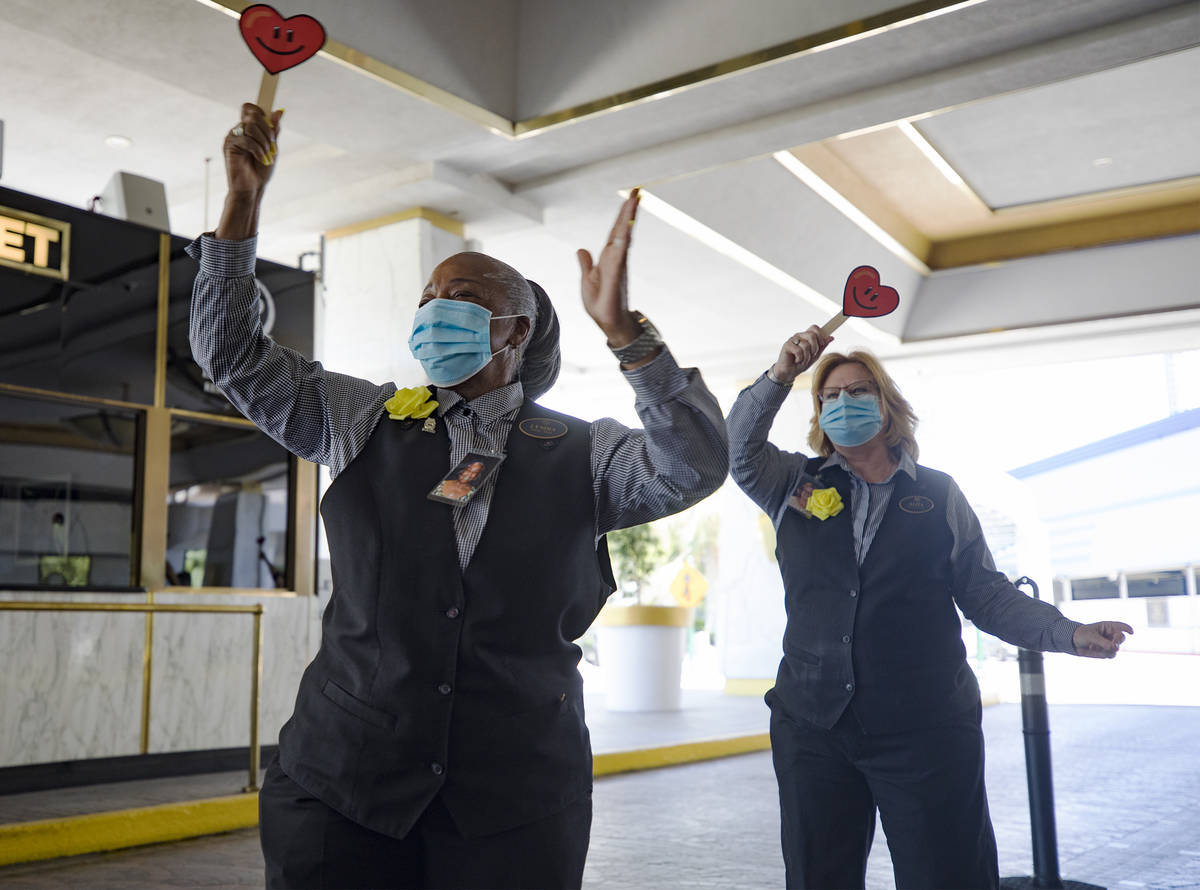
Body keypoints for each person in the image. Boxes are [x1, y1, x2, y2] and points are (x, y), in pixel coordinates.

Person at [189, 104, 728, 889]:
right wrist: (241, 207)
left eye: (465, 295)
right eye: (428, 296)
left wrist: (627, 338)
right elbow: (232, 355)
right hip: (344, 786)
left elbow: (694, 466)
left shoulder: (588, 453)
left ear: (516, 331)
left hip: (514, 802)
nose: (436, 308)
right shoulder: (361, 418)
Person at [727, 325, 1134, 890]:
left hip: (925, 730)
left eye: (858, 391)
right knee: (818, 877)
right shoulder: (794, 483)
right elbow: (736, 448)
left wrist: (1067, 633)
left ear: (887, 404)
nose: (844, 403)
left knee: (947, 875)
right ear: (819, 416)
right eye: (830, 397)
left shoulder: (940, 495)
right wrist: (779, 377)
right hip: (812, 728)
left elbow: (985, 592)